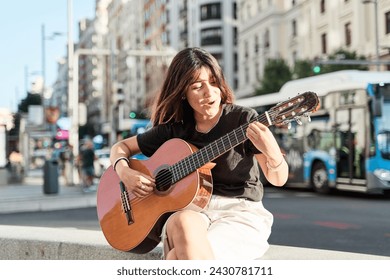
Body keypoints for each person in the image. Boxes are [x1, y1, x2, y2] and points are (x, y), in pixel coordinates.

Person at [109, 47, 288, 260]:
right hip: (191, 212)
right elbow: (120, 148)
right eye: (197, 86)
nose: (209, 92)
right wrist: (125, 173)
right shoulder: (174, 129)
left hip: (238, 213)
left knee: (178, 257)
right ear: (182, 92)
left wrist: (273, 151)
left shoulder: (242, 120)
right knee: (182, 221)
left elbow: (278, 179)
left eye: (213, 82)